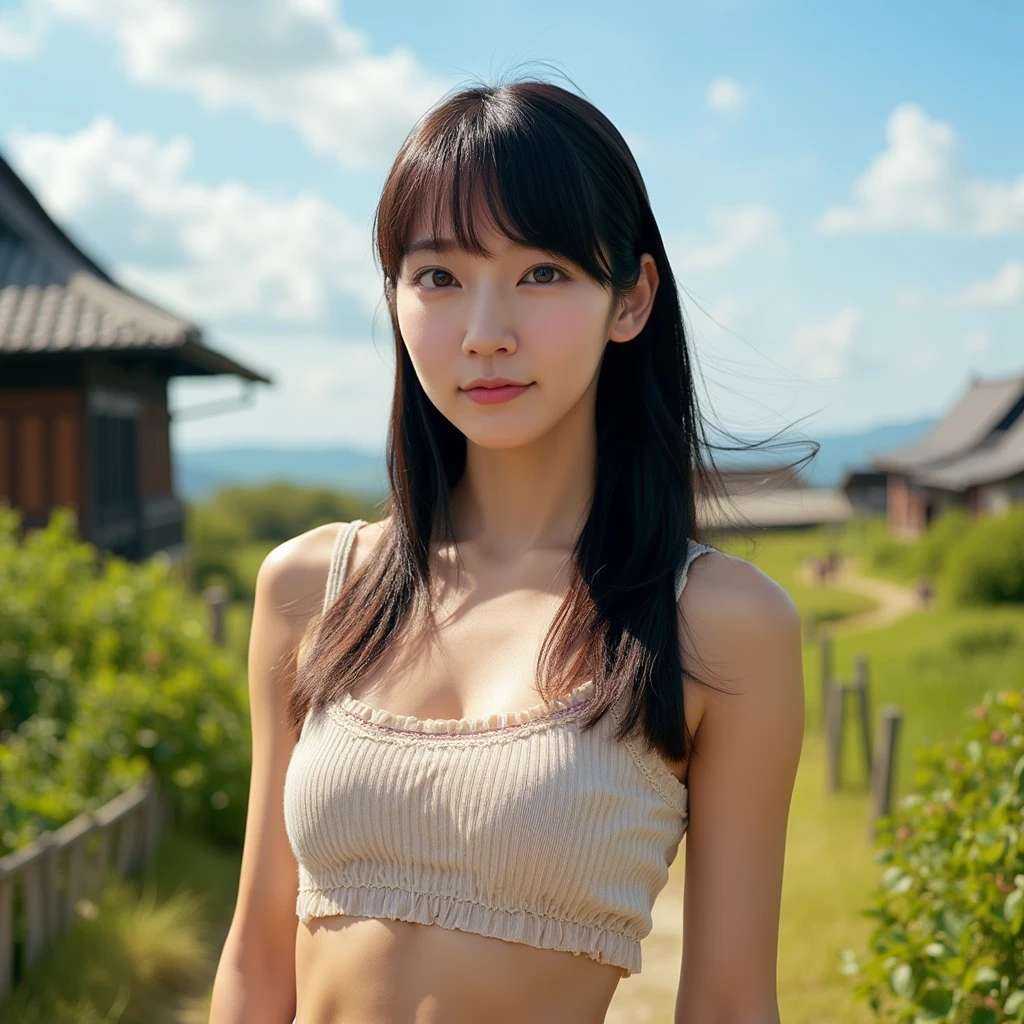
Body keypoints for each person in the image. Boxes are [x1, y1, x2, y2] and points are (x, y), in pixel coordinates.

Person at [210, 74, 806, 1024]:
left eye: (541, 273)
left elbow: (731, 1003)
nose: (485, 335)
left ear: (631, 297)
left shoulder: (719, 624)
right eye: (439, 277)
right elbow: (254, 964)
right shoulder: (311, 588)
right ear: (397, 301)